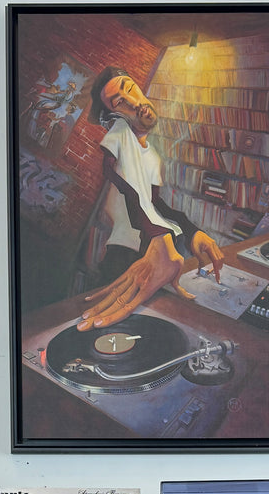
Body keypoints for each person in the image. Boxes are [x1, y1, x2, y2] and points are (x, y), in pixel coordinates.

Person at [77, 67, 225, 332]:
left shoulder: (148, 151)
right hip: (124, 258)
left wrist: (192, 232)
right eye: (119, 102)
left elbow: (154, 203)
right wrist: (158, 235)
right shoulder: (121, 135)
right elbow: (115, 170)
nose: (134, 101)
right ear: (114, 115)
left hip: (149, 254)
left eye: (130, 87)